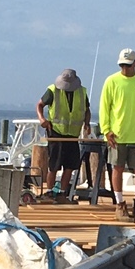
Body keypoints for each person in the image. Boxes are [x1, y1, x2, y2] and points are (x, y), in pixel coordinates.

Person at [98, 47, 135, 221]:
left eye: (128, 65)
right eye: (122, 65)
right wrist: (106, 130)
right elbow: (104, 108)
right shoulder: (111, 81)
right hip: (117, 135)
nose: (125, 69)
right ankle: (119, 204)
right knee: (117, 168)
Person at [37, 67, 92, 200]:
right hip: (55, 131)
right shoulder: (52, 90)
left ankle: (62, 193)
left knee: (70, 165)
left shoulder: (81, 92)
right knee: (54, 164)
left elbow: (87, 109)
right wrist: (42, 119)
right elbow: (39, 105)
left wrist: (87, 123)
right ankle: (49, 192)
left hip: (73, 134)